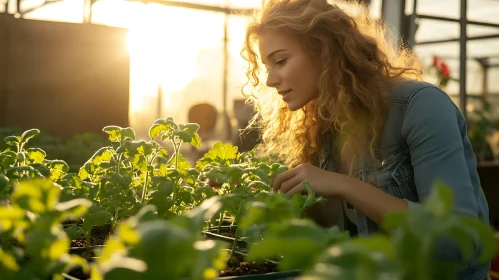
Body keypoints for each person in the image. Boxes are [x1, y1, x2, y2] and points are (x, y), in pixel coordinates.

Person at [240, 0, 491, 279]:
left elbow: (455, 243)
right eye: (265, 66)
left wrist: (345, 186)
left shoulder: (420, 107)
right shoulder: (321, 127)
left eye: (281, 60)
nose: (270, 80)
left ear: (325, 50)